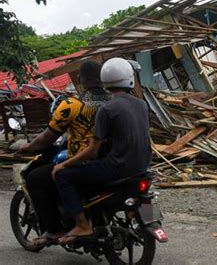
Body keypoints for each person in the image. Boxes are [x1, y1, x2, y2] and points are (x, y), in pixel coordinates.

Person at [51, 57, 151, 245]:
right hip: (142, 167)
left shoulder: (107, 108)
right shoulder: (142, 104)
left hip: (118, 168)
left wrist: (63, 164)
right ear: (130, 77)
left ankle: (82, 225)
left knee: (63, 176)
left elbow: (92, 152)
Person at [21, 60, 111, 247]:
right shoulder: (115, 102)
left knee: (36, 178)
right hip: (111, 161)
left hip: (83, 163)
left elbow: (47, 138)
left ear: (80, 79)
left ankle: (53, 229)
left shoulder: (72, 104)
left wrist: (28, 147)